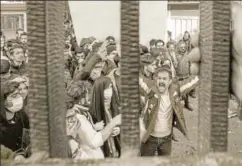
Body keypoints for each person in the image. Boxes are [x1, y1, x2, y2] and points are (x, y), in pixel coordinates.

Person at [140, 67, 199, 156]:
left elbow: (192, 82)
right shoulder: (150, 89)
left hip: (166, 139)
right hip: (149, 138)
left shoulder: (175, 90)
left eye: (164, 79)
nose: (161, 81)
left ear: (170, 81)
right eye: (159, 78)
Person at [66, 90, 121, 159]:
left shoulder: (80, 115)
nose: (73, 119)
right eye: (69, 117)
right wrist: (114, 122)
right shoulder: (79, 119)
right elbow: (94, 141)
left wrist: (108, 131)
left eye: (74, 114)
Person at [0, 81, 30, 160]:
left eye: (19, 94)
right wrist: (13, 156)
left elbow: (32, 129)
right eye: (14, 96)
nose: (18, 98)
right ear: (4, 100)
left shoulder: (21, 115)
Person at [176, 40, 193, 111]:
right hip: (178, 77)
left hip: (186, 76)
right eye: (181, 47)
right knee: (178, 92)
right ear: (178, 47)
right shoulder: (176, 55)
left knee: (186, 91)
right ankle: (177, 106)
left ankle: (186, 104)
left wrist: (191, 74)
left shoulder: (188, 55)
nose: (183, 48)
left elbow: (190, 65)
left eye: (184, 47)